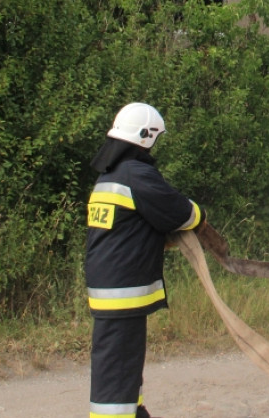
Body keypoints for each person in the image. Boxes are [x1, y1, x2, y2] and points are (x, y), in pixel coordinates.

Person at [86, 103, 204, 418]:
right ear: (146, 136)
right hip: (122, 295)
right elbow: (178, 212)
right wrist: (199, 215)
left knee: (121, 373)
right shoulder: (136, 174)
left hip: (110, 293)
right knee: (114, 387)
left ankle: (135, 412)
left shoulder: (109, 176)